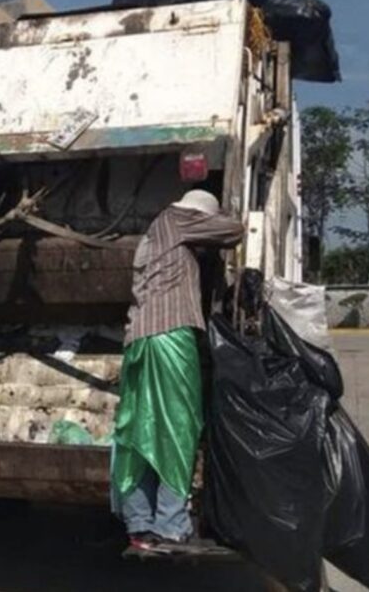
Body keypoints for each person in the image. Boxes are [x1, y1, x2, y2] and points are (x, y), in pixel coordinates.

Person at [111, 189, 243, 552]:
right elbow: (235, 231)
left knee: (139, 432)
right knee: (178, 426)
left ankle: (139, 524)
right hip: (170, 336)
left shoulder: (155, 233)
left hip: (139, 339)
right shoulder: (178, 218)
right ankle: (171, 525)